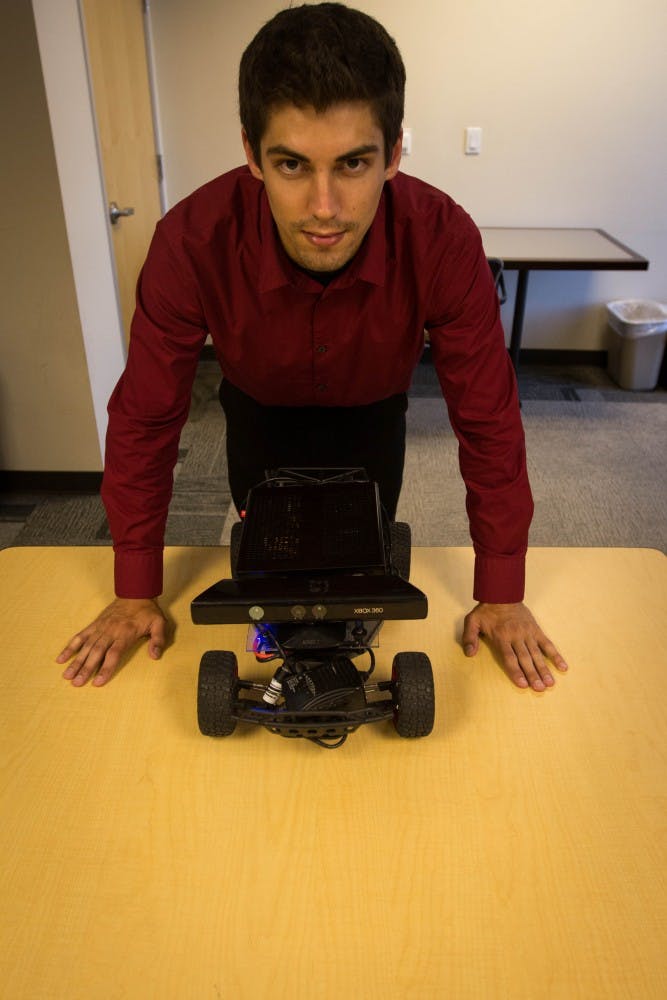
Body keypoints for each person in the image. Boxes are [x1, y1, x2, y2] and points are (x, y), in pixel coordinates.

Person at [57, 2, 567, 692]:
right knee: (267, 577)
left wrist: (501, 591)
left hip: (372, 414)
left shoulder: (442, 238)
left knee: (364, 578)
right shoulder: (191, 240)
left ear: (391, 155)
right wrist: (134, 586)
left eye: (353, 163)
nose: (323, 207)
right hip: (257, 416)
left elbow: (487, 421)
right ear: (251, 154)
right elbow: (147, 420)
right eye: (291, 164)